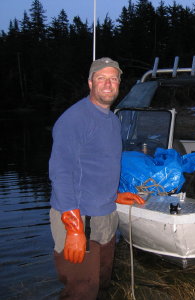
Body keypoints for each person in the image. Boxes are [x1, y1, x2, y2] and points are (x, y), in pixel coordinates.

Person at [49, 57, 145, 299]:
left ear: (119, 84)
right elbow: (61, 172)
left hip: (105, 216)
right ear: (90, 83)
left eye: (113, 78)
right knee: (81, 290)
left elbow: (94, 165)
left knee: (101, 285)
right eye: (101, 78)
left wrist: (114, 195)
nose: (108, 84)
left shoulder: (112, 120)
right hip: (80, 217)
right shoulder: (75, 118)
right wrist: (73, 229)